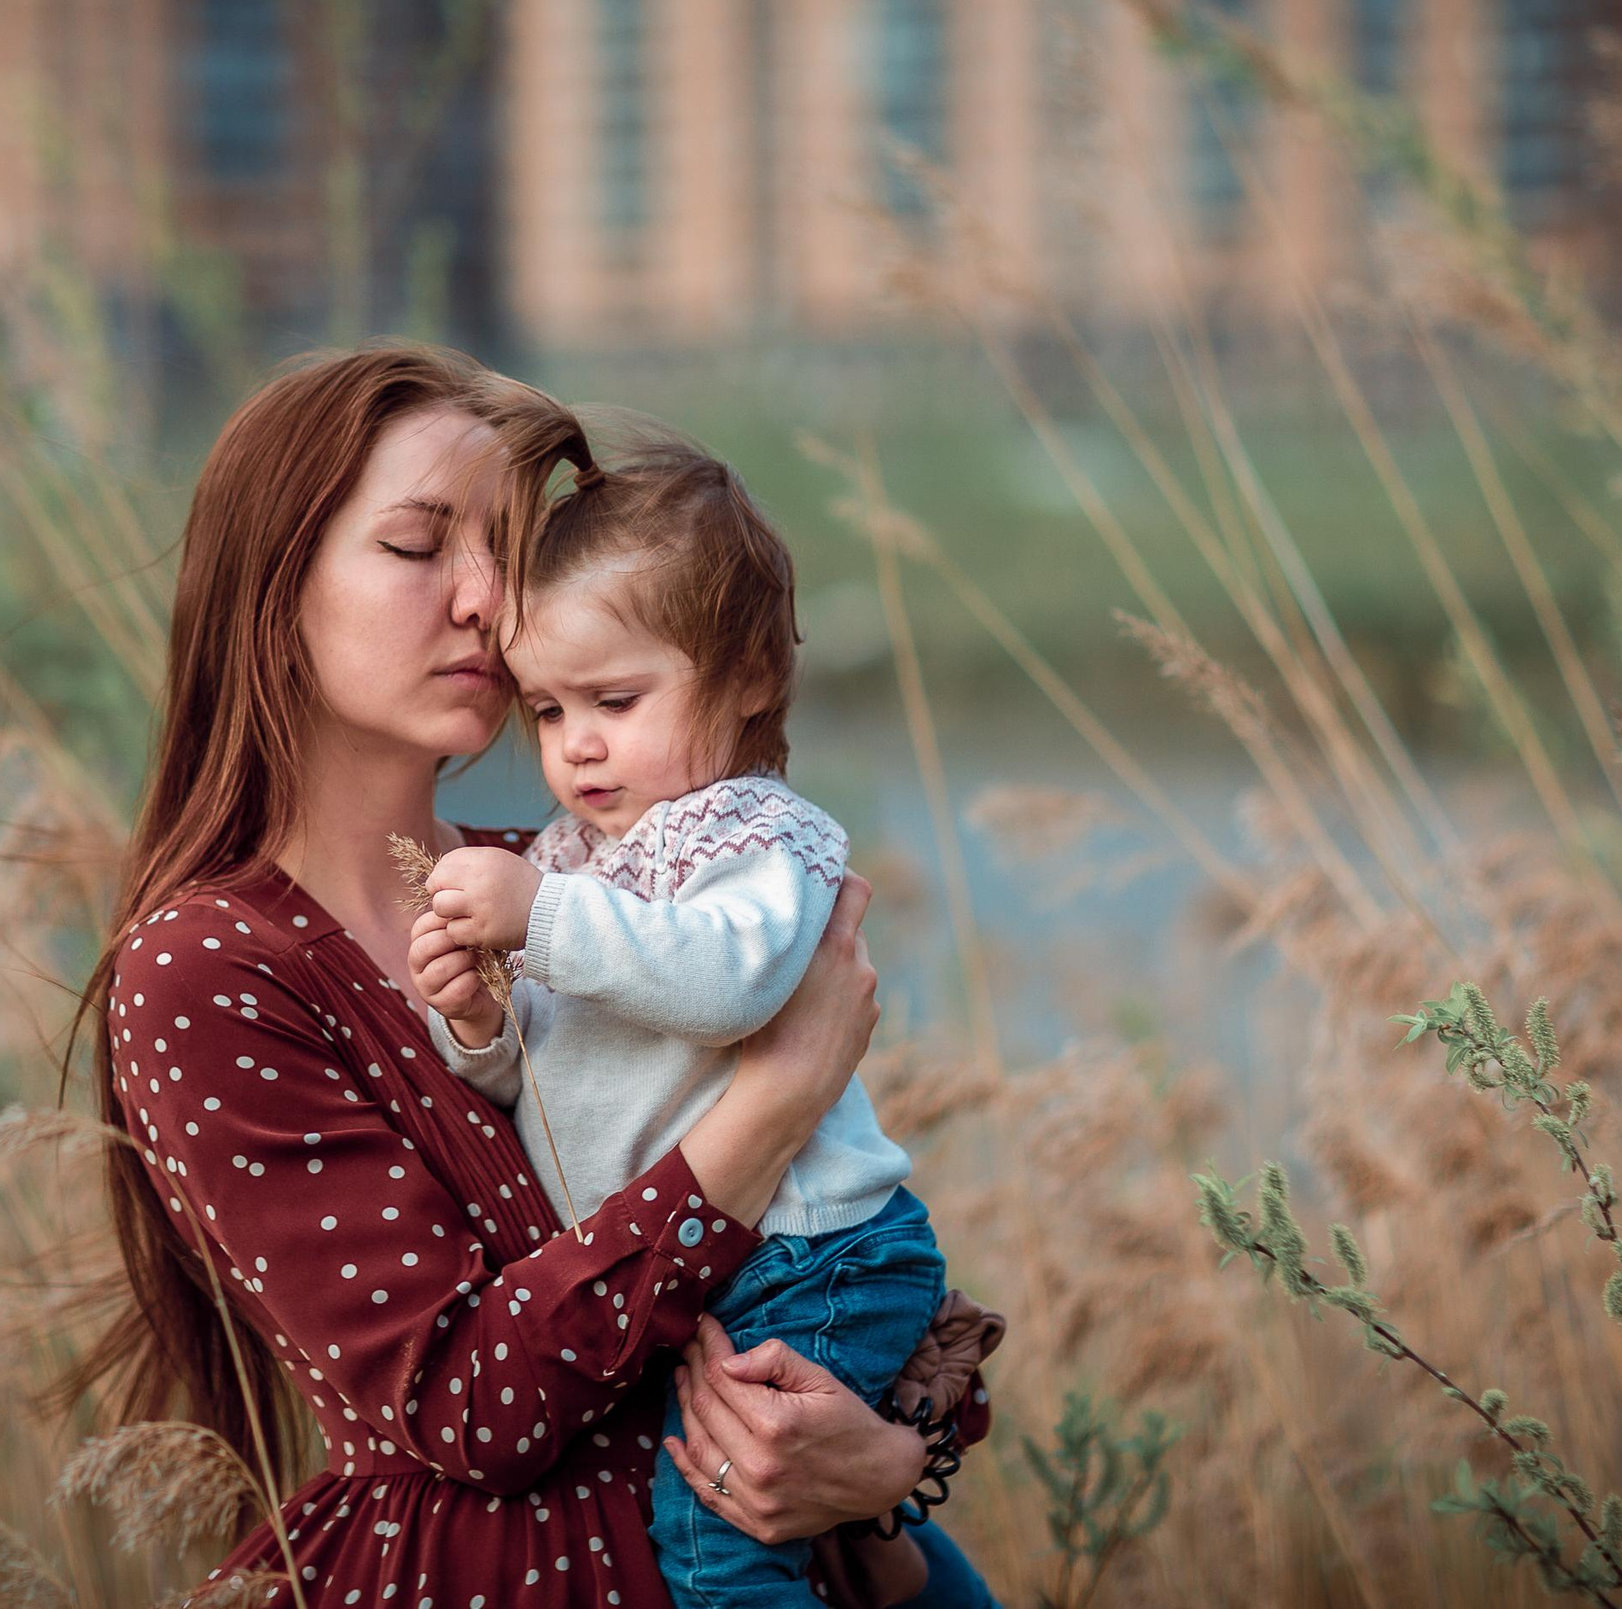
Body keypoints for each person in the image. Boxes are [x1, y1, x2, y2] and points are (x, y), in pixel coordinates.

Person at [62, 343, 999, 1606]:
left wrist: (881, 1459)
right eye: (417, 547)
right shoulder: (211, 972)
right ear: (271, 585)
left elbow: (833, 1251)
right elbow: (469, 1411)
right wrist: (772, 1103)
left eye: (505, 553)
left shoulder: (581, 882)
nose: (486, 603)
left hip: (776, 1558)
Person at [409, 437, 948, 1606]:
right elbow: (557, 1079)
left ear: (748, 674)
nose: (577, 744)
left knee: (718, 1544)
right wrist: (482, 1029)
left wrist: (541, 918)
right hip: (722, 1261)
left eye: (615, 699)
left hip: (811, 1250)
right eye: (547, 710)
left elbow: (729, 987)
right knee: (819, 1538)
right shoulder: (575, 859)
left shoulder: (754, 834)